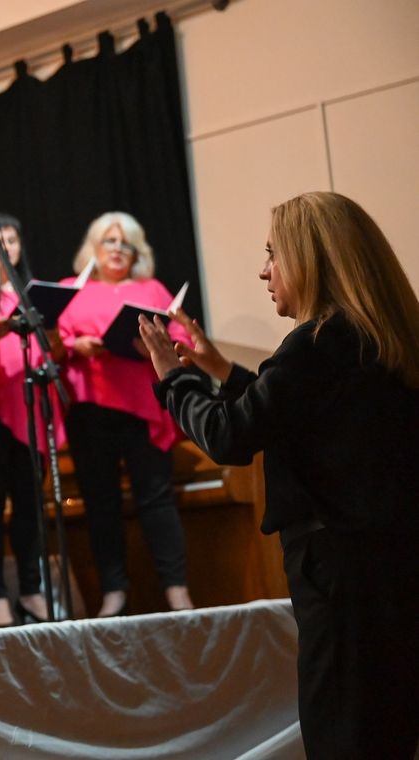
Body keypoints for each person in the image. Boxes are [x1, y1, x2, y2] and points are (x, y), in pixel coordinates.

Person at [140, 192, 419, 759]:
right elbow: (297, 418)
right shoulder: (377, 339)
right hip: (391, 568)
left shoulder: (316, 342)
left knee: (344, 737)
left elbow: (230, 436)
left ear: (311, 258)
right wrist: (221, 370)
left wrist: (173, 380)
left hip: (338, 576)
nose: (264, 271)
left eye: (273, 253)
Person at [57, 211, 193, 617]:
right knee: (100, 503)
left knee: (157, 499)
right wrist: (75, 345)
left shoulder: (152, 289)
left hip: (143, 406)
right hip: (90, 408)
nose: (117, 249)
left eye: (126, 244)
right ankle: (113, 593)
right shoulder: (70, 288)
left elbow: (181, 337)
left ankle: (177, 592)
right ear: (94, 247)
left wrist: (155, 346)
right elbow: (53, 338)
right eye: (110, 241)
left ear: (138, 252)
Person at [0, 214, 63, 625]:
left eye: (12, 240)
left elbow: (53, 347)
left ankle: (32, 590)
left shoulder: (32, 295)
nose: (4, 247)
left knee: (30, 504)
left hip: (30, 407)